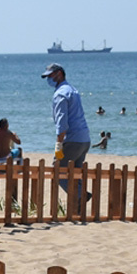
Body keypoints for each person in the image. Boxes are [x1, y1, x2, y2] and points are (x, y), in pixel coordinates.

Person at [41, 63, 91, 207]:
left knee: (58, 172)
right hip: (84, 138)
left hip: (72, 139)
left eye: (50, 76)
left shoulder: (60, 94)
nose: (49, 79)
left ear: (60, 74)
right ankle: (78, 207)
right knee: (75, 174)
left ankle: (81, 195)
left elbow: (62, 123)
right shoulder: (73, 90)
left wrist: (58, 145)